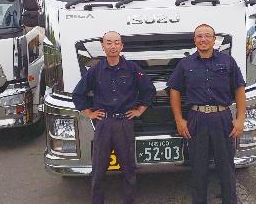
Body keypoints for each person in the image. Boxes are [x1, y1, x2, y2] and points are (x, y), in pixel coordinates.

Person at [73, 31, 156, 204]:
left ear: (121, 46)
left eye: (116, 42)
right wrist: (89, 113)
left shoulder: (132, 68)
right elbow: (78, 94)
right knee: (98, 170)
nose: (113, 46)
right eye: (109, 43)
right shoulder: (95, 70)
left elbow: (149, 90)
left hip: (125, 124)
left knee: (128, 169)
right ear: (103, 47)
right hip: (104, 124)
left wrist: (140, 110)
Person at [167, 23, 246, 204]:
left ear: (214, 39)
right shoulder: (185, 64)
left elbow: (239, 88)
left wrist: (240, 119)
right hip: (197, 119)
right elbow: (174, 90)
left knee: (226, 168)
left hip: (222, 119)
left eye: (207, 36)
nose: (203, 39)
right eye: (199, 36)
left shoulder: (228, 62)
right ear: (194, 40)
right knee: (198, 169)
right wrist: (179, 120)